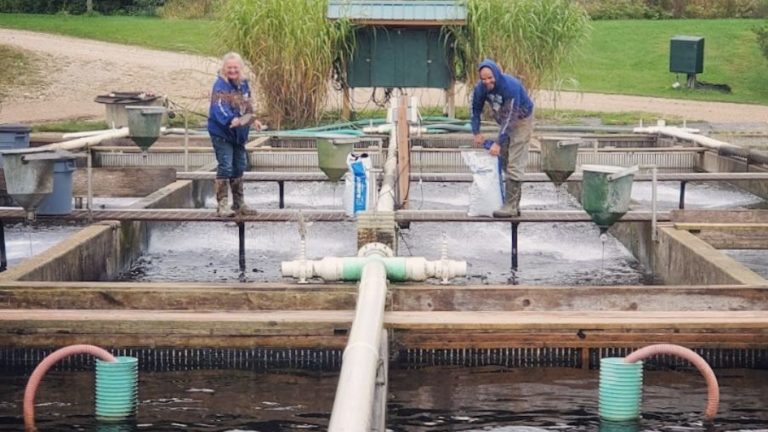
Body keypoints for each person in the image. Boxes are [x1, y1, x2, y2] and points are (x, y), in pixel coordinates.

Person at [470, 59, 534, 218]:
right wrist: (476, 132)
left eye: (490, 78)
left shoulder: (510, 86)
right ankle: (512, 201)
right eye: (483, 79)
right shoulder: (480, 89)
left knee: (515, 161)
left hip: (521, 119)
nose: (487, 82)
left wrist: (498, 142)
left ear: (497, 74)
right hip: (505, 120)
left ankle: (511, 206)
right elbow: (475, 110)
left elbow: (512, 117)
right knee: (504, 159)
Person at [207, 52, 262, 217]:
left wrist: (253, 119)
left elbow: (247, 105)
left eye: (235, 68)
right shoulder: (220, 86)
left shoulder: (243, 84)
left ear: (240, 68)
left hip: (239, 134)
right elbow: (219, 108)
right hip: (222, 132)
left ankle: (239, 203)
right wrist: (232, 119)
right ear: (224, 68)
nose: (232, 71)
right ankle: (222, 205)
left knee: (239, 165)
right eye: (229, 67)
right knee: (225, 165)